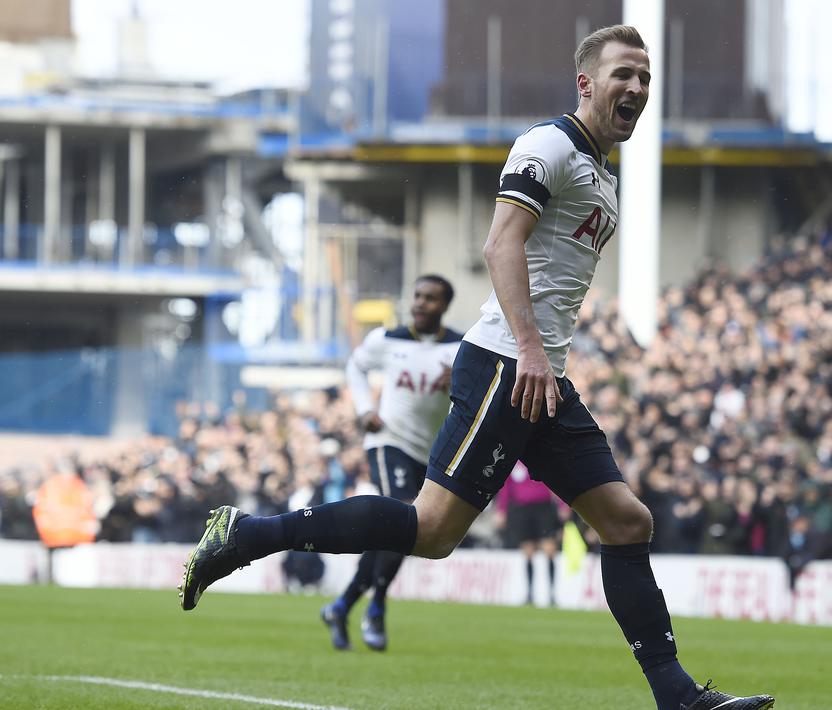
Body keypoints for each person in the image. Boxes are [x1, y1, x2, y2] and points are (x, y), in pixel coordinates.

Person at [179, 25, 773, 710]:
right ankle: (247, 534)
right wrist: (527, 349)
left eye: (643, 77)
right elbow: (500, 246)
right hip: (505, 364)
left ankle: (675, 696)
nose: (636, 88)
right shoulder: (547, 146)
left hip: (541, 376)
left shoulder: (601, 170)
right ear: (585, 83)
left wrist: (540, 357)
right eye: (622, 75)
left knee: (625, 519)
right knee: (430, 532)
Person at [319, 274, 462, 651]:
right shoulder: (387, 339)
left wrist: (462, 384)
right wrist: (365, 408)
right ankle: (377, 606)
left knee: (405, 530)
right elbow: (355, 366)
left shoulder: (461, 348)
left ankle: (343, 604)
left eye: (430, 298)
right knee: (402, 513)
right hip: (388, 441)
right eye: (417, 295)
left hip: (430, 453)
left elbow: (478, 396)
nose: (420, 303)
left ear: (444, 306)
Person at [495, 461, 566, 606]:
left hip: (543, 508)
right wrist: (501, 510)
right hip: (521, 509)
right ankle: (529, 594)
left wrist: (562, 504)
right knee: (528, 551)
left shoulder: (539, 454)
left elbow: (556, 480)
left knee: (549, 548)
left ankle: (552, 594)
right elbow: (506, 487)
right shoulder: (514, 461)